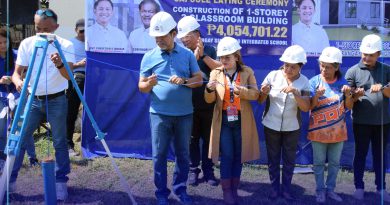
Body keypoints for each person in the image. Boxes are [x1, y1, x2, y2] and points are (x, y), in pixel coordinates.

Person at [138, 11, 202, 205]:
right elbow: (141, 87)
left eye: (163, 36)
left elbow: (199, 80)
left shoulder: (187, 55)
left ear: (174, 33)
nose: (159, 40)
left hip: (184, 115)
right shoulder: (148, 57)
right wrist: (148, 84)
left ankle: (180, 189)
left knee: (183, 154)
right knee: (159, 155)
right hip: (159, 115)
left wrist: (184, 81)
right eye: (156, 37)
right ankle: (161, 193)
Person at [10, 8, 75, 200]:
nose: (42, 33)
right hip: (32, 100)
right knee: (20, 139)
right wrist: (17, 81)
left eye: (47, 29)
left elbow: (68, 76)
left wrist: (60, 64)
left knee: (60, 141)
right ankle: (10, 181)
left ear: (56, 27)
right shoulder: (27, 43)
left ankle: (60, 181)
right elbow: (17, 72)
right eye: (38, 28)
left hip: (57, 99)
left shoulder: (66, 45)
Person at [205, 37, 260, 205]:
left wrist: (242, 91)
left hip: (242, 121)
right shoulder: (215, 73)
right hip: (223, 121)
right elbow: (209, 100)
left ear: (236, 56)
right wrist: (209, 89)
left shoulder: (247, 72)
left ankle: (234, 188)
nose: (223, 61)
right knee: (228, 155)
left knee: (239, 155)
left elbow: (256, 94)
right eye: (221, 57)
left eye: (227, 57)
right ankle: (226, 191)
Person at [258, 45, 310, 200]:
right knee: (273, 159)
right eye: (286, 65)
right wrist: (263, 92)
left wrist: (296, 93)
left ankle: (286, 189)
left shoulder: (304, 82)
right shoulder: (272, 76)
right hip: (271, 125)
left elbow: (306, 107)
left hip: (292, 127)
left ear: (301, 66)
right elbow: (260, 100)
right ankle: (274, 188)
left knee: (289, 160)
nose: (288, 69)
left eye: (293, 67)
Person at [345, 34, 390, 202]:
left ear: (378, 54)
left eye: (371, 54)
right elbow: (348, 101)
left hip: (383, 122)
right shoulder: (352, 71)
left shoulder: (386, 69)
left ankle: (381, 188)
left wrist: (383, 88)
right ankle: (359, 187)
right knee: (360, 155)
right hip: (361, 122)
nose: (366, 57)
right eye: (364, 53)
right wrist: (354, 95)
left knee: (380, 156)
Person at [177, 15, 220, 187]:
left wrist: (203, 56)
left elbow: (220, 68)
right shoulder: (181, 53)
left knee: (208, 139)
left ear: (197, 34)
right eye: (182, 37)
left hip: (209, 104)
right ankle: (193, 170)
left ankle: (209, 171)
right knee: (191, 139)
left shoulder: (210, 49)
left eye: (187, 36)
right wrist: (194, 58)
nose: (184, 40)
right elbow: (181, 74)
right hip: (188, 105)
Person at [308, 47, 353, 203]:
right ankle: (320, 191)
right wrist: (317, 96)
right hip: (318, 132)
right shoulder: (313, 81)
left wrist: (348, 95)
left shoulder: (343, 83)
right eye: (322, 65)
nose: (324, 69)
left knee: (334, 163)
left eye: (328, 67)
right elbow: (310, 107)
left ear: (336, 67)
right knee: (319, 163)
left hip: (338, 132)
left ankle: (331, 189)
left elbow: (349, 107)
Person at [0, 29, 39, 168]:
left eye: (5, 42)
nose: (3, 45)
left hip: (18, 95)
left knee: (23, 127)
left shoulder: (17, 55)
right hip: (1, 95)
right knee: (2, 126)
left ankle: (32, 157)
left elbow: (28, 72)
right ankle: (3, 156)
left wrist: (16, 79)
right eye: (0, 43)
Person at [67, 18, 86, 156]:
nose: (84, 34)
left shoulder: (93, 43)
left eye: (87, 31)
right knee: (72, 111)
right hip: (77, 77)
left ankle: (88, 141)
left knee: (92, 110)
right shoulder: (70, 44)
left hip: (94, 78)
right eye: (81, 31)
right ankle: (68, 144)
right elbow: (66, 66)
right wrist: (80, 64)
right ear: (75, 30)